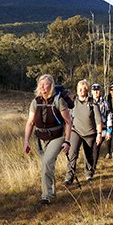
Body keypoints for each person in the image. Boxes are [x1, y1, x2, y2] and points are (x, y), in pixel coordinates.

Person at [23, 74, 72, 206]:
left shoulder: (59, 101)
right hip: (40, 138)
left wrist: (67, 141)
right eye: (40, 84)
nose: (42, 87)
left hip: (57, 136)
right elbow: (30, 123)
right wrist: (26, 141)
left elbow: (68, 122)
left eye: (45, 84)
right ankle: (52, 191)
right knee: (48, 165)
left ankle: (46, 196)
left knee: (46, 163)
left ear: (51, 86)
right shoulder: (35, 102)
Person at [65, 79, 103, 184]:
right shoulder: (73, 101)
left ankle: (89, 174)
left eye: (85, 89)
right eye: (80, 89)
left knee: (89, 155)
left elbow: (98, 120)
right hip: (75, 131)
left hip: (90, 133)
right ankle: (69, 177)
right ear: (77, 90)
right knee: (72, 154)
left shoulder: (92, 103)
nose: (82, 91)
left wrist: (99, 134)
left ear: (87, 90)